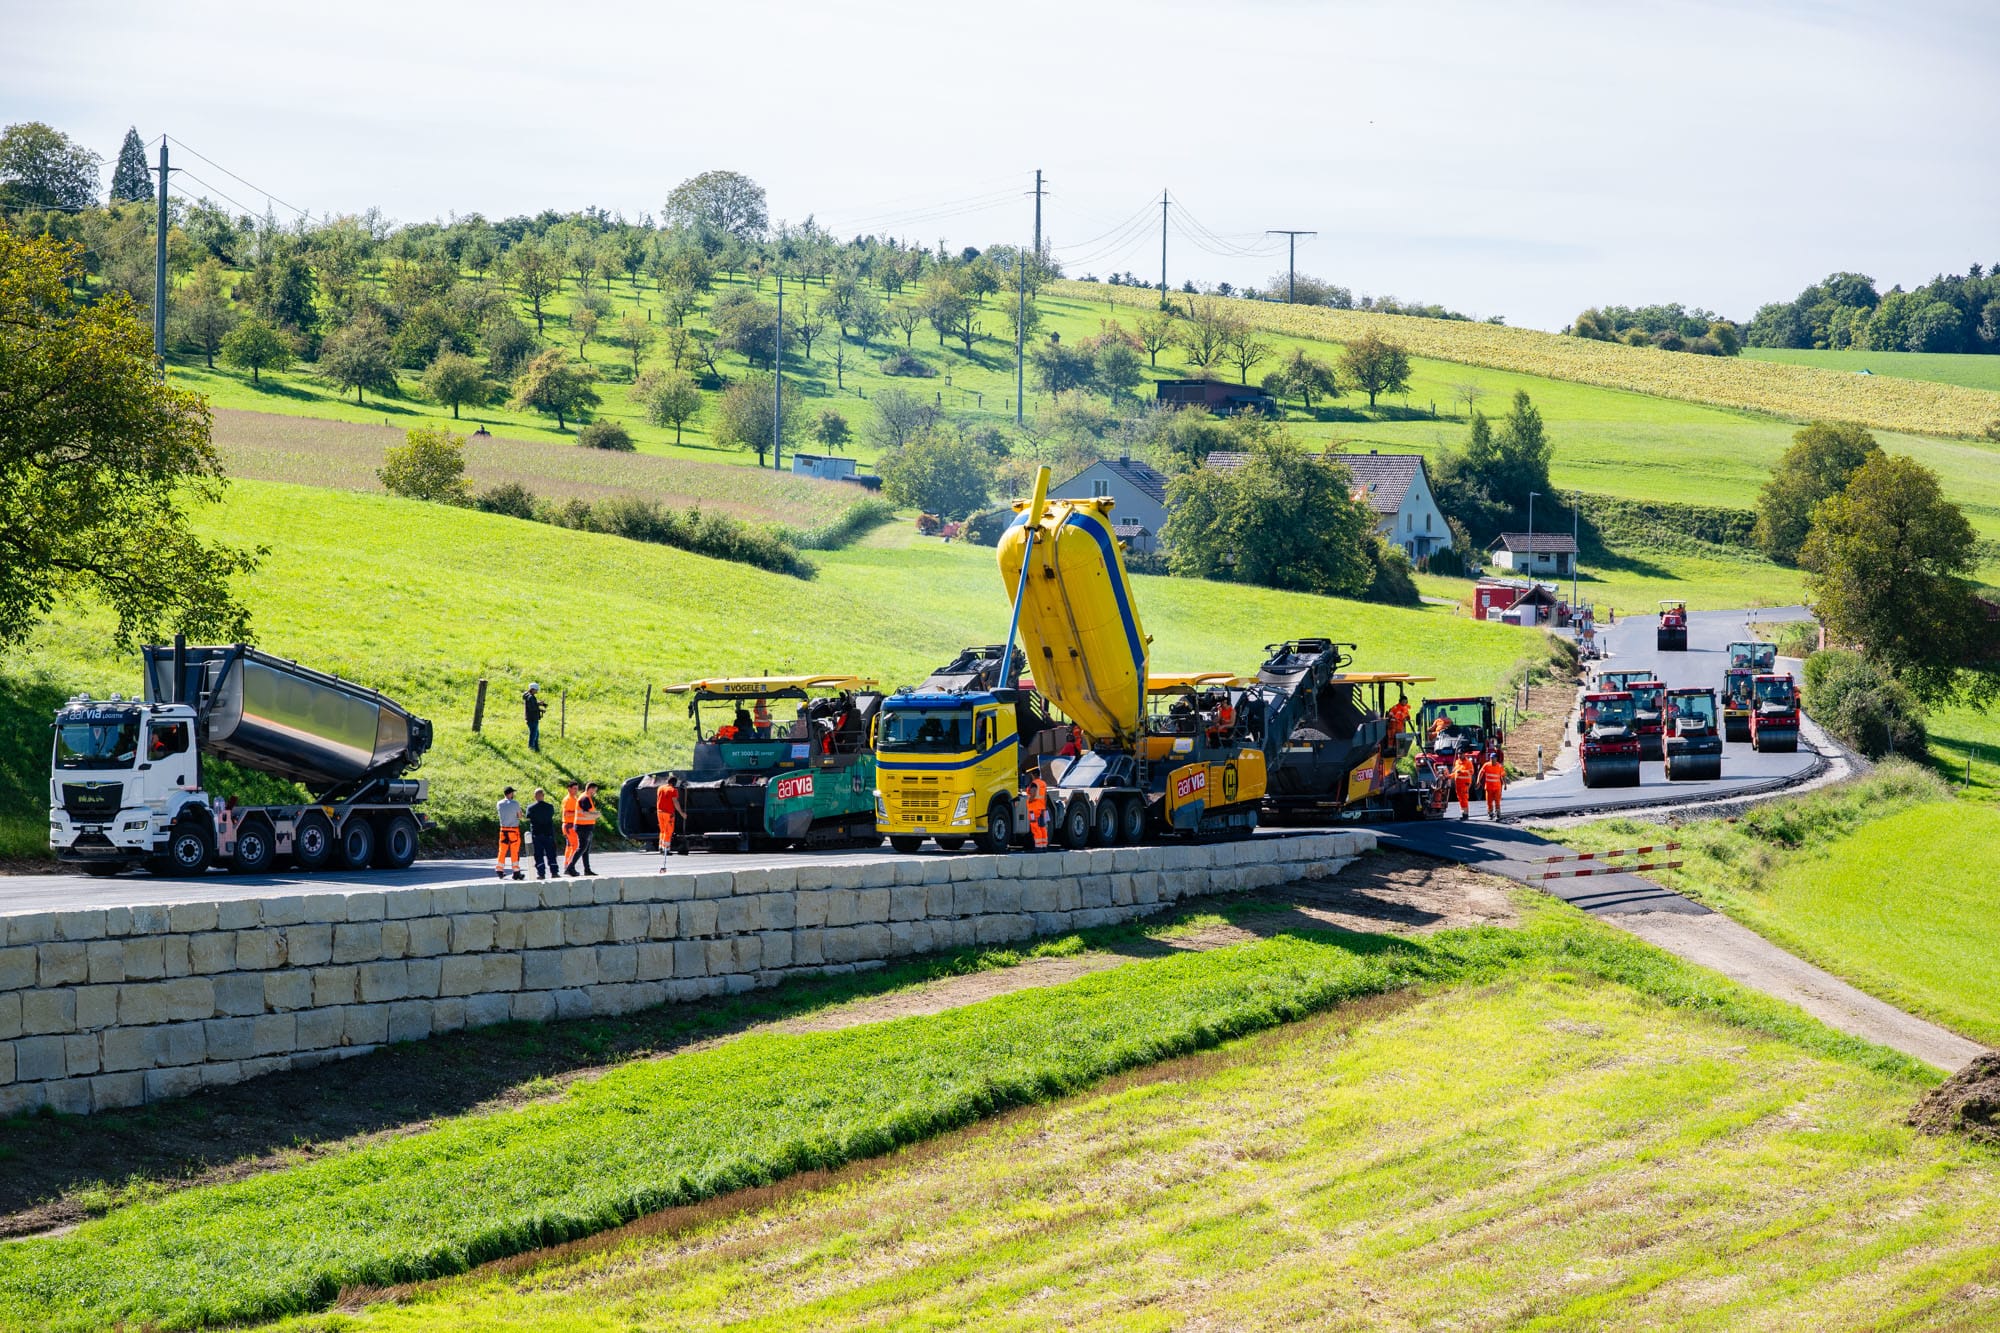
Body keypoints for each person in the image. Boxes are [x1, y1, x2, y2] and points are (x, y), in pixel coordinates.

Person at [566, 781, 600, 876]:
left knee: (585, 849)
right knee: (582, 848)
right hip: (583, 827)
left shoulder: (586, 797)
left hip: (585, 827)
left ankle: (587, 870)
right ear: (590, 789)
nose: (595, 792)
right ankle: (570, 867)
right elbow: (585, 813)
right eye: (594, 790)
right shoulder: (585, 798)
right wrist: (596, 815)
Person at [526, 787, 561, 880]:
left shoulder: (531, 807)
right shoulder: (550, 807)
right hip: (548, 833)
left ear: (535, 796)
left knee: (538, 854)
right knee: (551, 853)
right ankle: (554, 872)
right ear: (543, 796)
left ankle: (541, 873)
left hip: (537, 834)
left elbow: (528, 816)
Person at [495, 786, 524, 880]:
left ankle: (499, 869)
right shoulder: (515, 803)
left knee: (502, 850)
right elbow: (519, 816)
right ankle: (516, 871)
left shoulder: (499, 804)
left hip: (503, 830)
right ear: (510, 793)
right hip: (513, 830)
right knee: (514, 851)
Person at [656, 775, 685, 865]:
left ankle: (661, 847)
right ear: (674, 783)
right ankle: (666, 849)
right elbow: (675, 803)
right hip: (668, 813)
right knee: (668, 831)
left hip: (659, 812)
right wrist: (681, 813)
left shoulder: (660, 788)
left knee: (662, 830)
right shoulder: (673, 790)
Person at [560, 781, 581, 874]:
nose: (576, 790)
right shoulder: (568, 799)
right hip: (569, 825)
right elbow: (566, 813)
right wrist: (578, 813)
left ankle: (566, 865)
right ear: (569, 789)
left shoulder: (574, 798)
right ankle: (569, 866)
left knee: (569, 847)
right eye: (574, 788)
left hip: (571, 825)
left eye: (577, 788)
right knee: (575, 846)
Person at [1480, 751, 1507, 820]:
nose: (1492, 760)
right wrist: (1478, 781)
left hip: (1497, 787)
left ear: (1496, 759)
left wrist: (1505, 784)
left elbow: (1503, 775)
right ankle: (1490, 813)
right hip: (1489, 788)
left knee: (1497, 801)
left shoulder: (1499, 766)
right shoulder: (1486, 765)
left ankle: (1498, 813)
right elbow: (1481, 773)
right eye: (1491, 758)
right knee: (1489, 802)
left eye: (1493, 758)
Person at [1026, 774, 1050, 850]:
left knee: (1035, 827)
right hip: (1042, 808)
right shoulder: (1043, 783)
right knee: (1042, 827)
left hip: (1034, 809)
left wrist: (1028, 801)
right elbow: (1045, 797)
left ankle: (1038, 846)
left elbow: (1033, 794)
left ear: (1033, 775)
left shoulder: (1034, 784)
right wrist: (1044, 806)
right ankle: (1044, 846)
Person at [523, 684, 548, 752]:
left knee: (535, 733)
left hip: (530, 718)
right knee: (534, 734)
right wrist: (540, 709)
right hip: (532, 718)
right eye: (536, 690)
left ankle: (536, 747)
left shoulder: (528, 696)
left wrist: (538, 704)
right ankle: (532, 747)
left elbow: (532, 705)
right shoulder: (531, 697)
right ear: (533, 689)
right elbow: (532, 708)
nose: (537, 691)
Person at [1451, 752, 1475, 820]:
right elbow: (1455, 773)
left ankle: (1466, 813)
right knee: (1460, 798)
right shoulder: (1457, 762)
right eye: (1458, 754)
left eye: (1461, 754)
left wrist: (1462, 771)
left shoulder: (1468, 762)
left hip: (1465, 783)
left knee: (1464, 798)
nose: (1459, 755)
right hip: (1458, 784)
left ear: (1464, 754)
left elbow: (1471, 771)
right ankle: (1463, 812)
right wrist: (1448, 777)